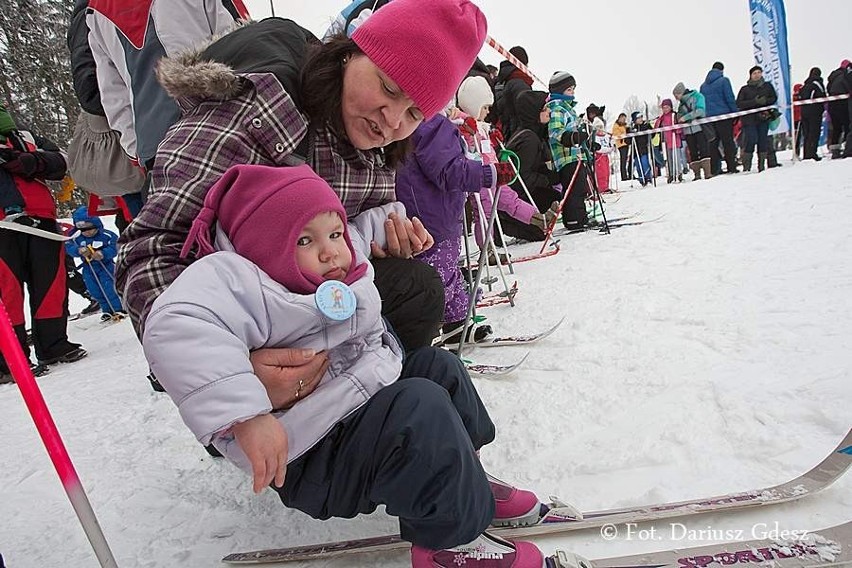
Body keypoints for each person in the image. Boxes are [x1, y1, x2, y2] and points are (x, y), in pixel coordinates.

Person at [143, 163, 547, 568]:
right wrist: (247, 415)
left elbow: (364, 226)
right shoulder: (241, 284)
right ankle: (447, 545)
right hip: (312, 455)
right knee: (418, 407)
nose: (330, 250)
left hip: (352, 411)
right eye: (304, 239)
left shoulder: (336, 262)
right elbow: (174, 325)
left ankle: (463, 484)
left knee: (437, 367)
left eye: (333, 234)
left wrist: (397, 220)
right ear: (264, 248)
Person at [115, 0, 491, 360]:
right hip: (239, 327)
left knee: (419, 290)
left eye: (413, 113)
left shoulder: (376, 146)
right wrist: (223, 365)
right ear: (352, 52)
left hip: (313, 309)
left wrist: (377, 246)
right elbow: (149, 250)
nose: (392, 121)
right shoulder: (260, 107)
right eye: (388, 88)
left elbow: (352, 236)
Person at [395, 110, 509, 342]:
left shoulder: (421, 120)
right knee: (439, 278)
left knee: (450, 273)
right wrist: (489, 174)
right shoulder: (430, 123)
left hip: (429, 214)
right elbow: (449, 171)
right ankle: (422, 334)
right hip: (433, 218)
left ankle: (457, 325)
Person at [0, 125, 88, 380]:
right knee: (7, 291)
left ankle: (53, 344)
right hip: (3, 223)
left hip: (40, 215)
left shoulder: (24, 136)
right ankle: (9, 360)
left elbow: (62, 160)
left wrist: (32, 161)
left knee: (51, 283)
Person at [454, 76, 550, 247]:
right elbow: (468, 149)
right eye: (485, 107)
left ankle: (538, 218)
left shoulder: (481, 126)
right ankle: (487, 248)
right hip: (480, 178)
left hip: (495, 175)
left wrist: (492, 137)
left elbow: (487, 150)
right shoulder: (465, 126)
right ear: (474, 106)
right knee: (485, 213)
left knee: (511, 200)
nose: (488, 112)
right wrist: (469, 131)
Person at [65, 205, 127, 321]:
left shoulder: (106, 235)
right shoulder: (76, 238)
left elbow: (116, 246)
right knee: (95, 290)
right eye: (82, 230)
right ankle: (106, 310)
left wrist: (103, 253)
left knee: (109, 288)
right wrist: (78, 251)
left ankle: (119, 308)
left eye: (89, 228)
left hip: (105, 267)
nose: (86, 233)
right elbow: (68, 246)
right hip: (88, 269)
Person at [504, 91, 561, 212]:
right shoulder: (529, 139)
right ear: (534, 112)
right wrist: (547, 180)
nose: (549, 112)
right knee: (553, 196)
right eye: (544, 109)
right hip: (519, 196)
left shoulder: (527, 133)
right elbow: (522, 176)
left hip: (519, 191)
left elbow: (532, 166)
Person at [546, 71, 590, 229]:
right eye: (569, 89)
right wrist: (572, 138)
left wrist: (585, 141)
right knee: (574, 189)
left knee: (581, 188)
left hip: (575, 156)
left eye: (573, 89)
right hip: (565, 157)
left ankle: (581, 217)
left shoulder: (567, 109)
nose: (573, 93)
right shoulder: (557, 108)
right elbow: (555, 131)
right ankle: (573, 219)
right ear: (559, 91)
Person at [736, 65, 778, 172]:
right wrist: (754, 102)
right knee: (751, 139)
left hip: (763, 117)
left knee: (763, 140)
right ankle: (747, 166)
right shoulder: (745, 89)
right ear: (750, 75)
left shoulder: (767, 86)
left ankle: (761, 166)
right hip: (749, 120)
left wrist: (765, 101)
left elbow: (773, 98)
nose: (757, 75)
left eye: (759, 72)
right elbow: (739, 103)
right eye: (754, 73)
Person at [699, 61, 739, 174]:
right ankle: (731, 166)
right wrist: (735, 112)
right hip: (724, 116)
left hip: (710, 118)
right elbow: (729, 97)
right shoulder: (724, 81)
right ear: (722, 70)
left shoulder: (703, 86)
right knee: (727, 142)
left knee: (713, 143)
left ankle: (715, 169)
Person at [492, 46, 533, 140]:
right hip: (516, 135)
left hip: (500, 133)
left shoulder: (499, 81)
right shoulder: (520, 82)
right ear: (524, 64)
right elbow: (526, 112)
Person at [673, 82, 711, 180]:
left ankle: (707, 173)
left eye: (676, 95)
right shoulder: (681, 105)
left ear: (681, 92)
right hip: (688, 131)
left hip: (699, 128)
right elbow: (679, 117)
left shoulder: (698, 96)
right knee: (692, 152)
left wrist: (686, 117)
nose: (676, 98)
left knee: (704, 149)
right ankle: (697, 174)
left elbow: (701, 111)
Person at [798, 67, 826, 161]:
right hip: (815, 111)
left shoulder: (805, 85)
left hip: (804, 111)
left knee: (806, 133)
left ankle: (806, 154)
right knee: (814, 132)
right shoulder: (817, 83)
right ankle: (812, 153)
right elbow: (823, 95)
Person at [826, 60, 851, 159]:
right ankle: (847, 148)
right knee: (847, 125)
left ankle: (835, 150)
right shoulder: (845, 75)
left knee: (836, 128)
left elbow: (828, 89)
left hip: (832, 104)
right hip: (843, 104)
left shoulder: (832, 77)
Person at [655, 99, 683, 183]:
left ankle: (679, 173)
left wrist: (677, 130)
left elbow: (679, 126)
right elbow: (656, 127)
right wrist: (659, 119)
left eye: (667, 107)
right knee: (668, 159)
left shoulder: (674, 115)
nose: (665, 109)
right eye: (663, 108)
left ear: (670, 107)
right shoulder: (662, 118)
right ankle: (671, 174)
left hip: (675, 139)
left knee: (676, 158)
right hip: (666, 141)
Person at [629, 112, 653, 186]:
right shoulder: (632, 128)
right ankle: (642, 179)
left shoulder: (645, 125)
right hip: (636, 150)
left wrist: (649, 129)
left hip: (644, 149)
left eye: (641, 117)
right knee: (638, 166)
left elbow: (653, 134)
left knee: (645, 164)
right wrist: (630, 132)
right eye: (638, 118)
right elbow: (627, 141)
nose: (640, 119)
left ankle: (648, 178)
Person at [611, 113, 630, 181]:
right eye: (622, 118)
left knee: (626, 159)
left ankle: (627, 173)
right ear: (619, 118)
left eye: (625, 119)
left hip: (626, 143)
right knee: (623, 160)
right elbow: (616, 134)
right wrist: (624, 134)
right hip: (621, 144)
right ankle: (623, 176)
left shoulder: (624, 125)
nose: (623, 120)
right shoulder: (616, 126)